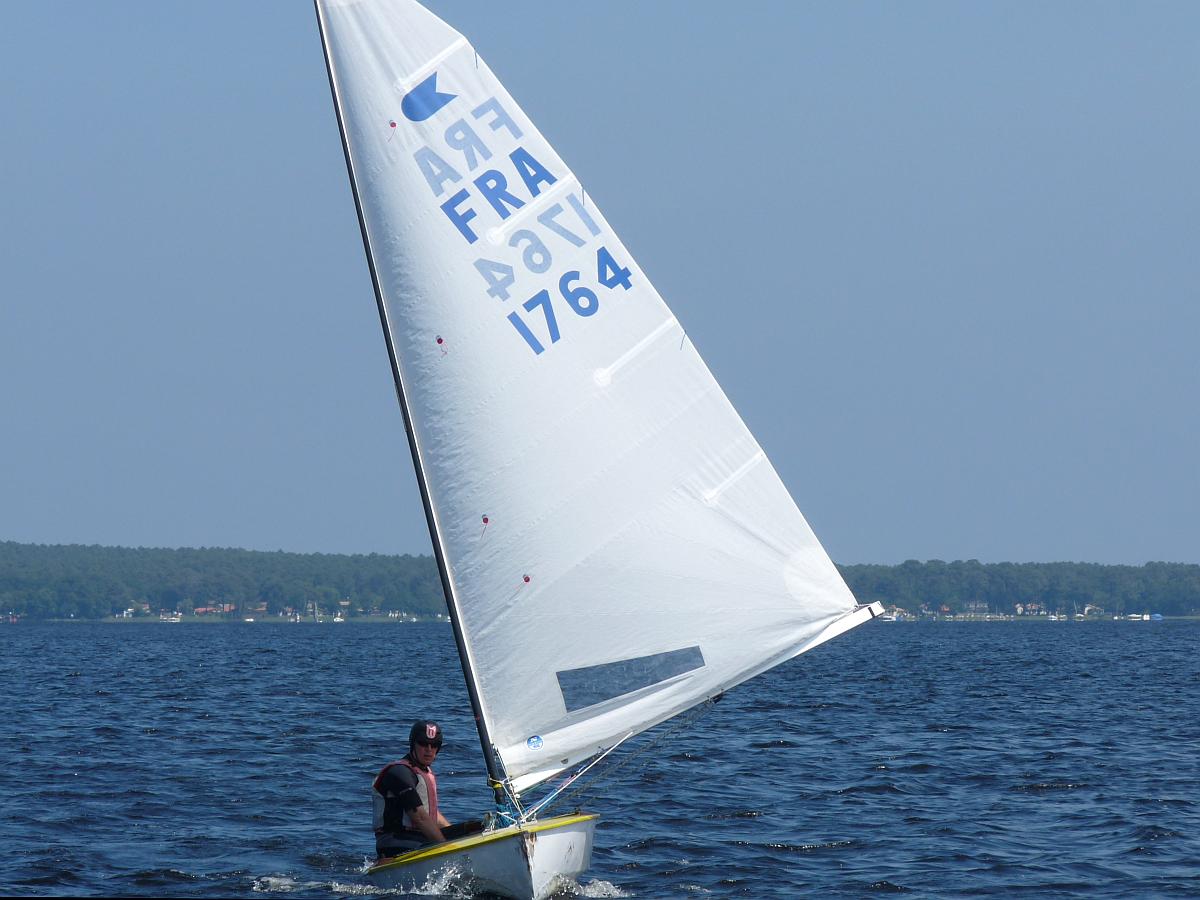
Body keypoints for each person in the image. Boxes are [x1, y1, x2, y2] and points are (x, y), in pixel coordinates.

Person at [372, 719, 453, 858]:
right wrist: (447, 849)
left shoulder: (423, 772)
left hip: (419, 841)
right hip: (396, 843)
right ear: (413, 744)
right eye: (423, 743)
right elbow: (419, 817)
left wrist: (456, 835)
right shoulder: (399, 772)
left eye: (434, 745)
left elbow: (432, 815)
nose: (429, 749)